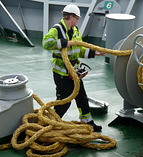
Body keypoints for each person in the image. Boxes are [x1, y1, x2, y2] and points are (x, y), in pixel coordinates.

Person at [42, 4, 104, 132]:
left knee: (82, 97)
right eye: (77, 18)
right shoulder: (57, 29)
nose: (77, 20)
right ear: (70, 17)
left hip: (74, 72)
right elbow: (45, 43)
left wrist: (95, 53)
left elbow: (78, 50)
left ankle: (87, 122)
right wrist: (62, 42)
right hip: (62, 74)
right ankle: (52, 124)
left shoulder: (76, 31)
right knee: (64, 101)